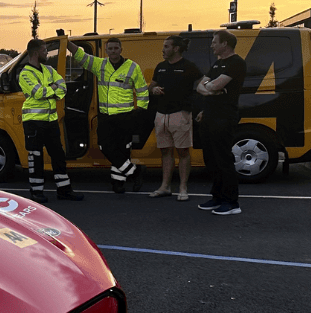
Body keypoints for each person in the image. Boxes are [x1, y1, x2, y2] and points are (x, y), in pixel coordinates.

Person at [68, 37, 149, 193]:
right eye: (110, 48)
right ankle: (136, 172)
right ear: (106, 50)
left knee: (122, 150)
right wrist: (66, 42)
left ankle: (118, 183)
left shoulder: (132, 67)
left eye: (116, 48)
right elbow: (81, 56)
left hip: (125, 116)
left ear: (121, 49)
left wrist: (141, 111)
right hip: (106, 117)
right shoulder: (100, 65)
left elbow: (142, 90)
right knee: (105, 146)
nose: (113, 51)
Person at [18, 38, 83, 202]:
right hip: (33, 122)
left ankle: (64, 190)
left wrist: (51, 90)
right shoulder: (25, 74)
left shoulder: (48, 70)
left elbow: (63, 87)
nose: (47, 52)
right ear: (35, 52)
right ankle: (36, 192)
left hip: (51, 121)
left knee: (59, 155)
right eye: (44, 50)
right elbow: (38, 93)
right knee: (36, 156)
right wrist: (52, 89)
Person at [196, 30, 246, 215]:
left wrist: (211, 87)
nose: (212, 45)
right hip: (209, 116)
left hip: (224, 117)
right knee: (211, 159)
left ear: (225, 44)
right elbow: (201, 86)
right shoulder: (218, 63)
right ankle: (217, 197)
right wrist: (211, 89)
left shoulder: (236, 63)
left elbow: (215, 85)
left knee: (223, 158)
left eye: (214, 42)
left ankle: (232, 203)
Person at [148, 36, 202, 201]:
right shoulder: (161, 67)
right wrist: (154, 90)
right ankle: (165, 187)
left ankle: (183, 188)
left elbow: (203, 87)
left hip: (180, 114)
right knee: (165, 151)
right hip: (161, 115)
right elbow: (151, 86)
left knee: (183, 152)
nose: (163, 50)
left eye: (166, 46)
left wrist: (200, 108)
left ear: (176, 48)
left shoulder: (189, 67)